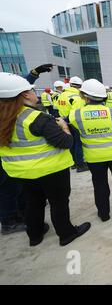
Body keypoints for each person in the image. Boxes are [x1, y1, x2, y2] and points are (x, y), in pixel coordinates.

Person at [0, 72, 91, 247]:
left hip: (21, 172)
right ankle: (66, 233)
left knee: (32, 202)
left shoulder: (5, 117)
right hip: (50, 170)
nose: (36, 94)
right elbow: (66, 143)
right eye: (32, 91)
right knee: (59, 202)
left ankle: (35, 235)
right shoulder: (37, 118)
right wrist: (64, 127)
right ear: (25, 94)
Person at [69, 79, 112, 222]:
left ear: (85, 96)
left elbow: (76, 130)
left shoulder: (76, 115)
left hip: (94, 156)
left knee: (99, 183)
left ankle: (104, 213)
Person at [0, 65, 52, 236]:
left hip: (15, 162)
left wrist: (32, 75)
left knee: (20, 188)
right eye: (27, 92)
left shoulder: (9, 103)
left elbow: (13, 88)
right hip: (9, 160)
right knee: (7, 188)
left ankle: (24, 214)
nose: (31, 93)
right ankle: (9, 220)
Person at [57, 76, 89, 173]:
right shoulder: (77, 97)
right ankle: (80, 165)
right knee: (78, 144)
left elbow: (56, 107)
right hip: (74, 123)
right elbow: (77, 113)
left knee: (71, 143)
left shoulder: (62, 95)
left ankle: (74, 163)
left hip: (64, 122)